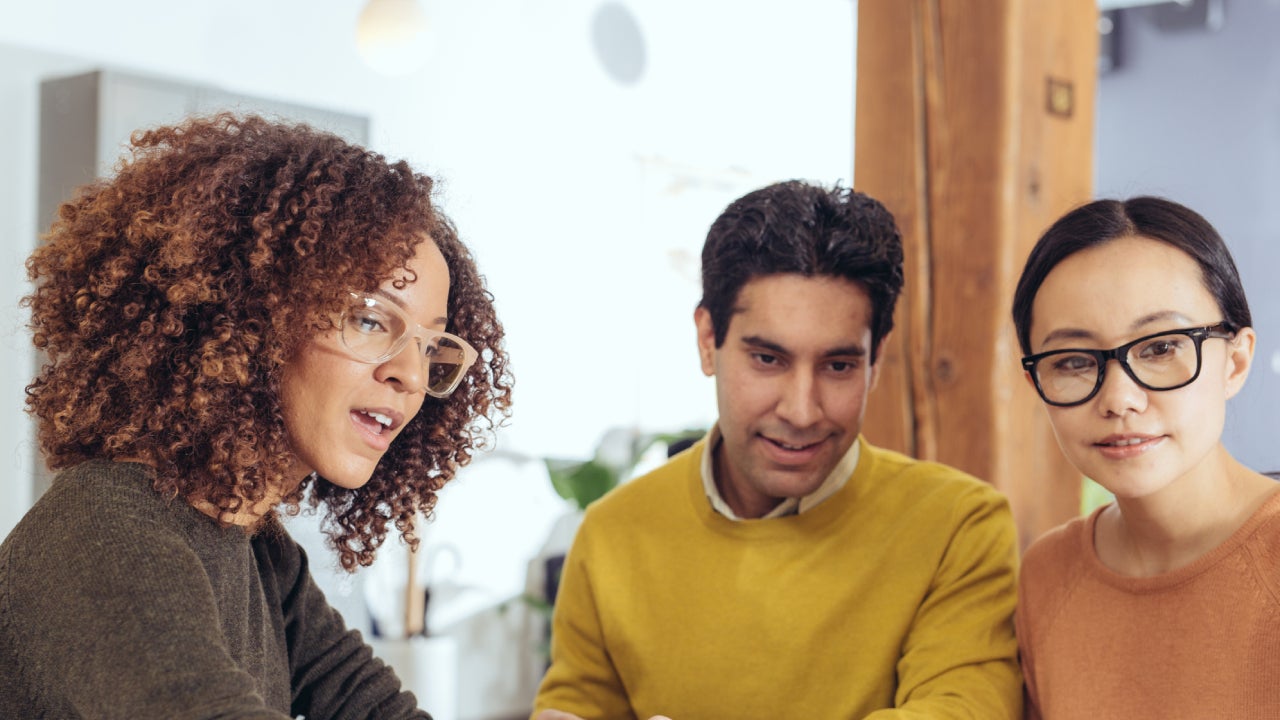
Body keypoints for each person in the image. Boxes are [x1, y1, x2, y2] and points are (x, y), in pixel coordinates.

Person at [0, 113, 513, 718]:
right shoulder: (106, 534)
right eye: (372, 320)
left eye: (432, 346)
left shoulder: (261, 552)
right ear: (252, 316)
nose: (414, 375)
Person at [532, 180, 1022, 719]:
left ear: (875, 359)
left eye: (838, 366)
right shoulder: (611, 535)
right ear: (707, 340)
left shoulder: (957, 525)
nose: (802, 410)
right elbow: (573, 706)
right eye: (768, 359)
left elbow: (961, 710)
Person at [1011, 196, 1280, 718]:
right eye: (1072, 361)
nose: (1118, 399)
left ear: (1237, 360)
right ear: (1036, 382)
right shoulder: (1047, 575)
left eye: (1160, 348)